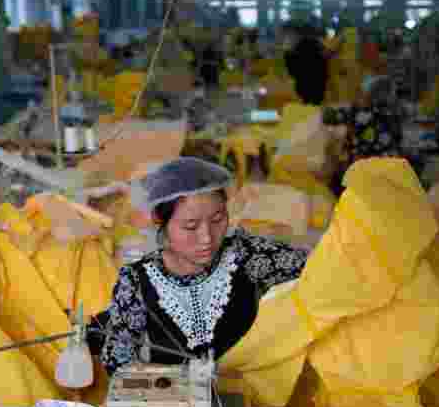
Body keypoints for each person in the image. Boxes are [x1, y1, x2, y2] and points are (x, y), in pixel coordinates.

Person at [92, 158, 310, 374]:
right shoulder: (136, 280)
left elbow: (320, 270)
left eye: (217, 220)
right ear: (160, 221)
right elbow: (119, 361)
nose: (206, 237)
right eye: (191, 226)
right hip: (174, 401)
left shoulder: (246, 254)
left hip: (251, 398)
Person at [284, 25, 329, 105]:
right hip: (317, 84)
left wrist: (287, 53)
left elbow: (292, 69)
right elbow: (324, 61)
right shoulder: (317, 45)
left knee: (308, 105)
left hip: (304, 85)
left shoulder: (297, 48)